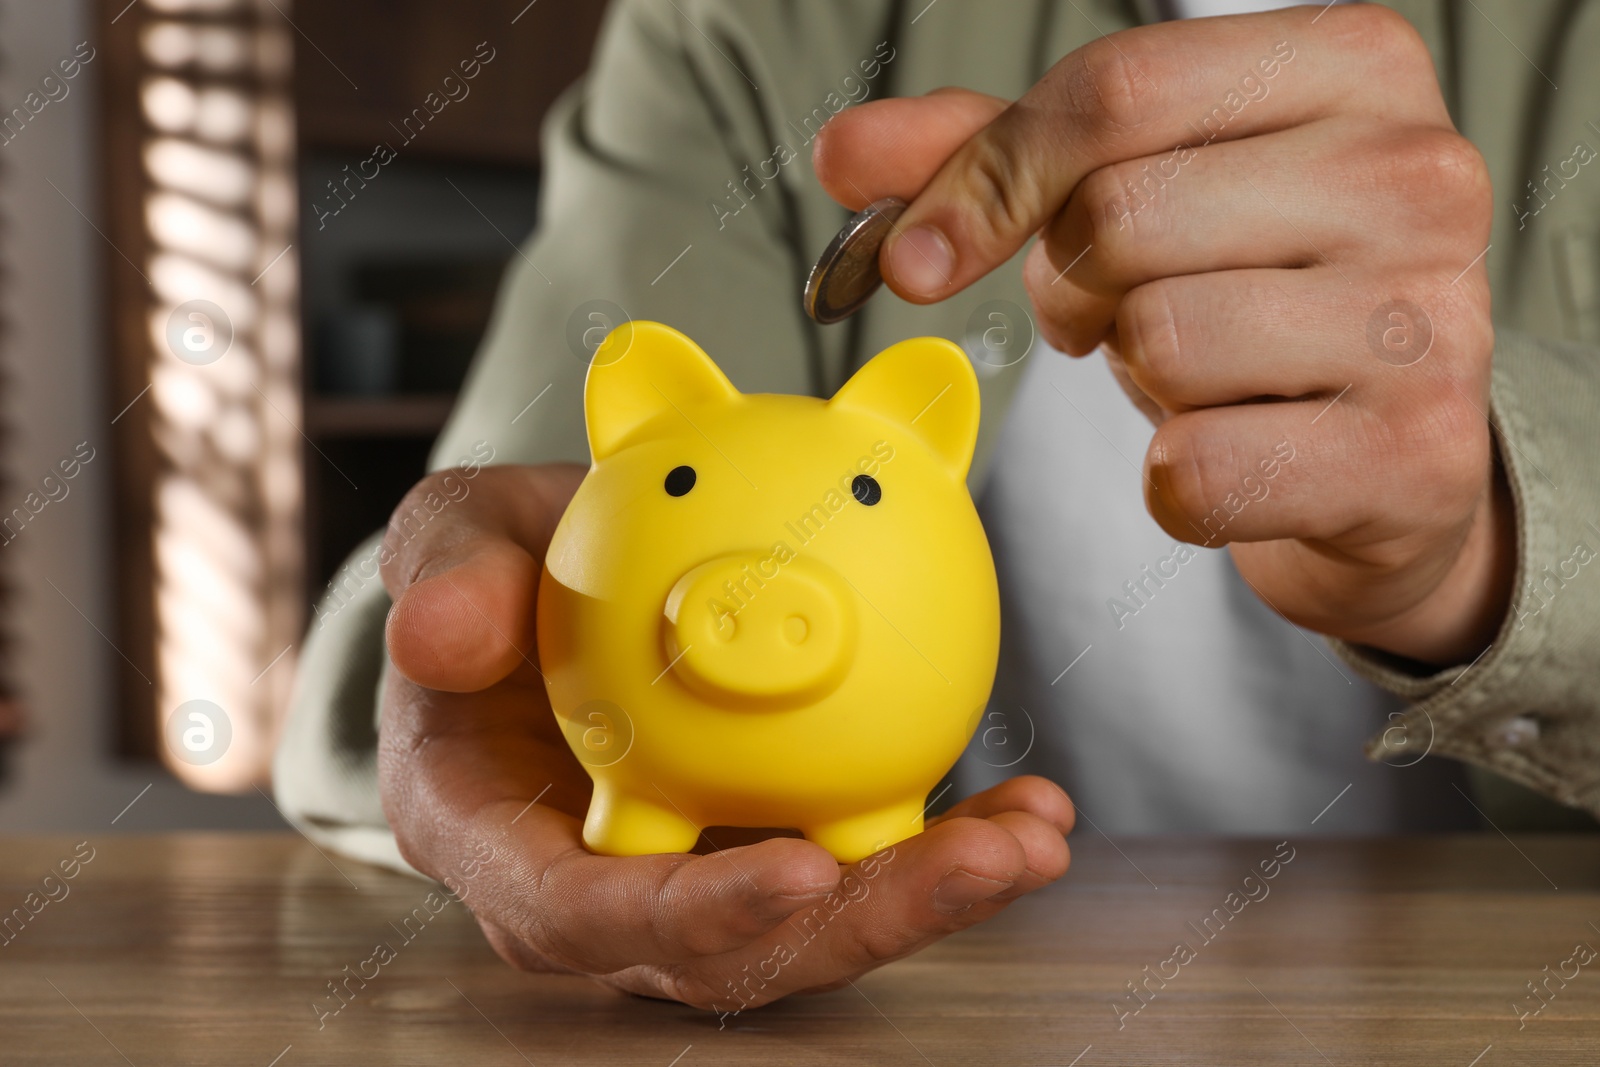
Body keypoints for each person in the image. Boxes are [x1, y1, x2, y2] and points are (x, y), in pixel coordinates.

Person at [274, 0, 1600, 1009]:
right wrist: (493, 663)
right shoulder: (762, 28)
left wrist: (1488, 543)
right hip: (944, 1016)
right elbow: (492, 544)